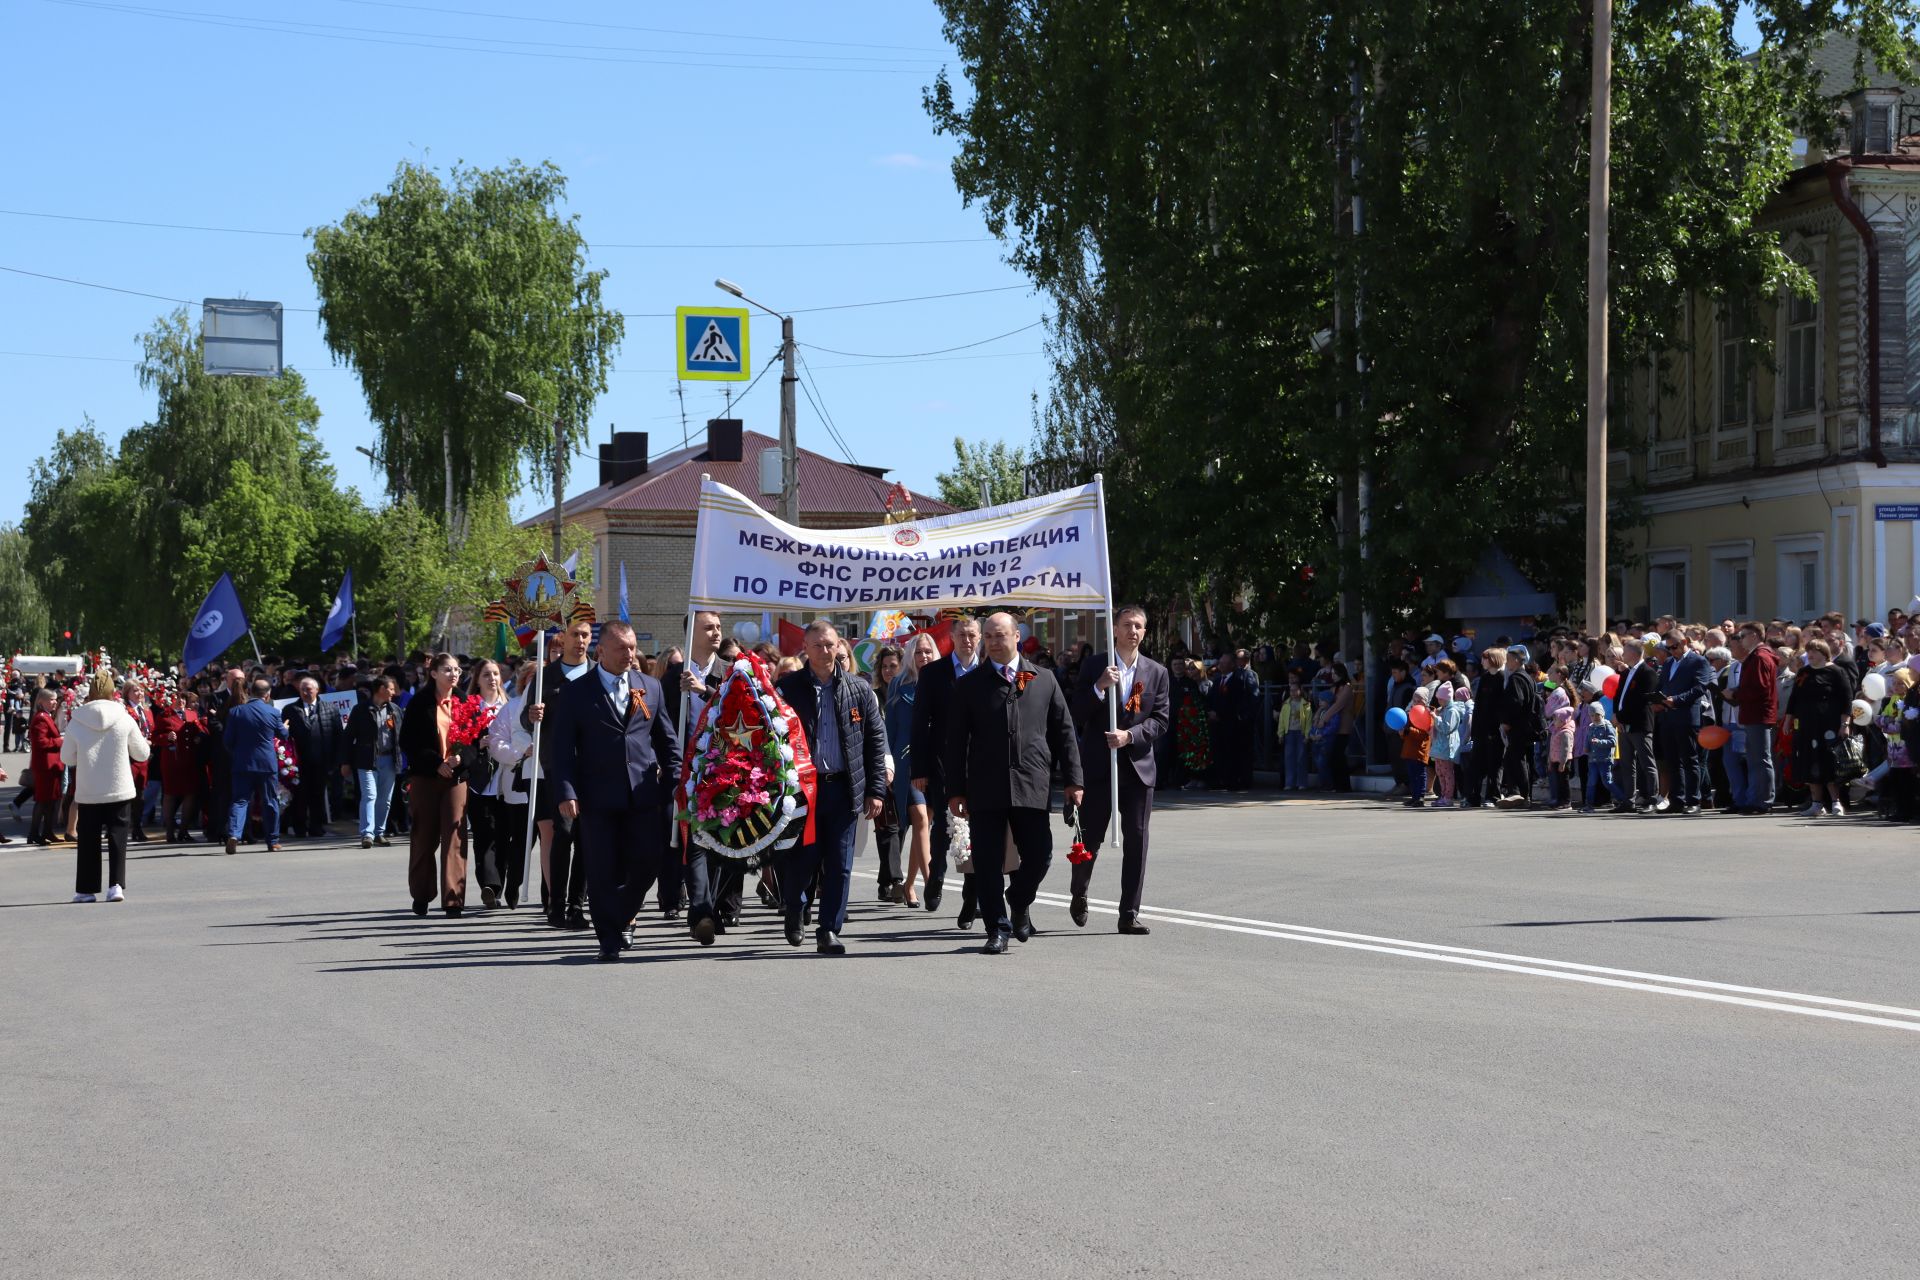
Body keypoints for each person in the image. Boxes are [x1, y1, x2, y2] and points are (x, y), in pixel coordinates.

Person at [944, 611, 1084, 955]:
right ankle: (997, 929)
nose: (992, 642)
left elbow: (1064, 732)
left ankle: (1019, 900)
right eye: (988, 636)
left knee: (1040, 856)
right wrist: (955, 790)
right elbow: (955, 741)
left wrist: (1074, 780)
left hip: (1032, 783)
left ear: (1016, 637)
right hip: (985, 787)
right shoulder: (969, 685)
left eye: (999, 635)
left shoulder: (1044, 679)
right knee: (989, 862)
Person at [548, 621, 682, 961]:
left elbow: (666, 741)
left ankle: (621, 914)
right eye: (621, 648)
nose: (629, 654)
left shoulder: (649, 687)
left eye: (633, 647)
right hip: (597, 797)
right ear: (601, 651)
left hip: (643, 795)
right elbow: (561, 748)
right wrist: (566, 790)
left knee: (648, 863)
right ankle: (608, 937)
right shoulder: (577, 692)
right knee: (602, 868)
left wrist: (675, 783)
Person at [775, 621, 888, 955]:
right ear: (806, 649)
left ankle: (828, 929)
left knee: (840, 862)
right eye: (818, 646)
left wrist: (876, 790)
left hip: (844, 789)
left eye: (830, 645)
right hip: (802, 793)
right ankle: (795, 908)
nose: (826, 652)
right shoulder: (787, 689)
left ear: (840, 646)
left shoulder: (859, 689)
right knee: (803, 858)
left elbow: (875, 740)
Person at [1068, 604, 1169, 934]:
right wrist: (1098, 688)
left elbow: (1160, 720)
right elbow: (1076, 714)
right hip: (1099, 769)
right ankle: (1079, 891)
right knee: (1090, 840)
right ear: (1114, 629)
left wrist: (1130, 736)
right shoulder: (1096, 665)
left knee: (1137, 840)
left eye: (1139, 626)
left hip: (1138, 769)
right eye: (1127, 624)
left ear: (1145, 632)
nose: (1133, 631)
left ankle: (1129, 912)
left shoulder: (1155, 672)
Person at [523, 618, 596, 931]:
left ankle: (577, 906)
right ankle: (556, 905)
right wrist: (532, 716)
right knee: (563, 833)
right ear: (562, 638)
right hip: (558, 766)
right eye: (575, 635)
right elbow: (528, 724)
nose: (580, 641)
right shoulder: (545, 677)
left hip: (594, 767)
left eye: (586, 636)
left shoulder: (598, 673)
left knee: (585, 838)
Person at [911, 614, 982, 923]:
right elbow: (920, 723)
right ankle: (936, 875)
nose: (968, 640)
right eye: (962, 635)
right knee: (945, 825)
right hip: (943, 762)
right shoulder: (934, 673)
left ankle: (972, 899)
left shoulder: (989, 670)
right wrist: (920, 768)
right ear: (953, 637)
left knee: (979, 834)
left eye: (973, 635)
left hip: (981, 764)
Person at [61, 670, 150, 903]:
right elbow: (141, 753)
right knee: (117, 836)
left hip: (89, 788)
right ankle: (116, 885)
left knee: (88, 839)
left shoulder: (77, 719)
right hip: (119, 785)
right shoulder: (124, 716)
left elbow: (67, 757)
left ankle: (86, 890)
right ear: (113, 692)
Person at [665, 610, 727, 932]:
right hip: (682, 772)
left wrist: (704, 691)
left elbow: (735, 714)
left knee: (718, 840)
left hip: (719, 769)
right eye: (708, 627)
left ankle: (715, 908)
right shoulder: (672, 674)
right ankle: (699, 911)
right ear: (691, 633)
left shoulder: (729, 673)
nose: (716, 633)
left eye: (718, 626)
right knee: (693, 842)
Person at [399, 653, 472, 917]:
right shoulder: (419, 703)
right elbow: (408, 741)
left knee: (455, 835)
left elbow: (476, 739)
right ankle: (421, 894)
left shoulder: (464, 701)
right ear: (433, 673)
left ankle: (453, 899)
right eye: (447, 670)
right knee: (424, 836)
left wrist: (461, 759)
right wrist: (435, 764)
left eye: (457, 670)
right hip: (426, 778)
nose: (454, 674)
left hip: (456, 778)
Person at [887, 632, 939, 907]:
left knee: (926, 823)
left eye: (928, 652)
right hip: (906, 762)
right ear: (910, 656)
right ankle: (931, 882)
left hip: (935, 761)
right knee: (919, 817)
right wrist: (888, 763)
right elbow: (890, 728)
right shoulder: (899, 684)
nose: (924, 657)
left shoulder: (944, 680)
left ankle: (909, 885)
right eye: (919, 652)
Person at [481, 661, 537, 910]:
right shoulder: (513, 707)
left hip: (545, 784)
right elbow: (496, 741)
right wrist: (522, 753)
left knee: (531, 839)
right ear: (525, 682)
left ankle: (518, 881)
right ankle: (508, 885)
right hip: (516, 786)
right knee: (515, 839)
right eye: (534, 679)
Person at [462, 660, 511, 908]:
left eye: (495, 674)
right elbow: (459, 741)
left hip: (507, 780)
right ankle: (489, 886)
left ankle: (500, 884)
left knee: (503, 836)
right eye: (486, 675)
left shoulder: (509, 706)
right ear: (477, 679)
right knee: (484, 834)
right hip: (480, 782)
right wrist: (476, 744)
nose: (492, 678)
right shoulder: (471, 707)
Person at [1785, 638, 1852, 818]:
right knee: (1809, 762)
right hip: (1807, 725)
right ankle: (1816, 804)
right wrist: (1787, 720)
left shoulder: (1836, 671)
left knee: (1828, 761)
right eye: (1809, 651)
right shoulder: (1804, 673)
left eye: (1814, 651)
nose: (1810, 655)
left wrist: (1845, 724)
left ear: (1823, 652)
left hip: (1829, 724)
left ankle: (1836, 802)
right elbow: (1794, 698)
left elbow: (1847, 699)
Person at [222, 676, 285, 855]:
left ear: (249, 692)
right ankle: (272, 841)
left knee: (240, 801)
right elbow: (283, 735)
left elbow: (227, 740)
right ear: (268, 695)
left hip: (242, 763)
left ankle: (234, 834)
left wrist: (237, 754)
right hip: (266, 764)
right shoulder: (273, 712)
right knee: (270, 801)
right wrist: (285, 728)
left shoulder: (236, 712)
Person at [1652, 631, 1711, 815]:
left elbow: (1700, 687)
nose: (1671, 651)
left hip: (1686, 717)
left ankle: (1693, 800)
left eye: (1674, 646)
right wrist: (1657, 700)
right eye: (1668, 648)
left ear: (1684, 642)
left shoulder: (1698, 661)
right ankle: (1677, 799)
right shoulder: (1669, 663)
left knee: (1689, 759)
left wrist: (1676, 700)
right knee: (1672, 761)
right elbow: (1662, 685)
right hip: (1668, 717)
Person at [344, 675, 402, 848]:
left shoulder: (395, 710)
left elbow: (402, 735)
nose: (394, 692)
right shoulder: (360, 710)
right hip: (366, 759)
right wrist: (345, 762)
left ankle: (379, 833)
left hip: (389, 760)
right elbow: (348, 737)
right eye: (391, 689)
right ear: (382, 689)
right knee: (370, 795)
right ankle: (367, 834)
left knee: (385, 799)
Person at [1726, 623, 1778, 814]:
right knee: (1756, 759)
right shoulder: (1757, 657)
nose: (1741, 640)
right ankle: (1756, 798)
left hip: (1759, 714)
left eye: (1743, 636)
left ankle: (1763, 800)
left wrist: (1735, 693)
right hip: (1754, 713)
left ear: (1755, 636)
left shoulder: (1760, 657)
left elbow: (1759, 688)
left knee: (1761, 759)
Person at [282, 676, 340, 839]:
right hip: (297, 761)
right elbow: (283, 735)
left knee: (318, 794)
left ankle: (316, 826)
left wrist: (336, 760)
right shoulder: (290, 709)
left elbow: (338, 735)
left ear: (317, 690)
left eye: (309, 689)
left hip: (322, 760)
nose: (306, 692)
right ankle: (299, 827)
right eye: (302, 689)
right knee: (300, 795)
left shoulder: (330, 708)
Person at [869, 645, 905, 902]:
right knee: (887, 824)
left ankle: (886, 879)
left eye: (893, 666)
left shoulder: (908, 693)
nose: (889, 671)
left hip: (904, 763)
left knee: (897, 824)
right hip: (880, 765)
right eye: (885, 666)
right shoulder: (873, 697)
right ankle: (895, 879)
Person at [28, 688, 65, 846]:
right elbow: (41, 742)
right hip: (45, 766)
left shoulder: (47, 716)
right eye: (51, 700)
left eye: (55, 699)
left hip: (52, 765)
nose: (54, 702)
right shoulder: (41, 718)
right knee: (43, 801)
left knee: (52, 800)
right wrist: (60, 741)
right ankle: (34, 833)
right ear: (41, 701)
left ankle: (47, 831)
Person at [1430, 682, 1466, 806]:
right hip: (1440, 747)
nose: (1438, 701)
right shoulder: (1444, 710)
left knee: (1447, 773)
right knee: (1440, 772)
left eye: (1440, 698)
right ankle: (1443, 795)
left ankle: (1448, 797)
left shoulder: (1452, 711)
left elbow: (1447, 728)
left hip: (1447, 747)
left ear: (1446, 698)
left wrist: (1436, 718)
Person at [1274, 680, 1314, 792]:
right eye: (1290, 690)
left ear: (1300, 691)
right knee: (1289, 759)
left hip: (1300, 733)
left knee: (1301, 759)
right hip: (1289, 733)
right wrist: (1280, 734)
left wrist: (1307, 735)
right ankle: (1289, 783)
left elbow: (1308, 721)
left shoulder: (1305, 704)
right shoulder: (1286, 704)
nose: (1292, 692)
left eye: (1294, 690)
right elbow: (1281, 720)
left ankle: (1302, 783)